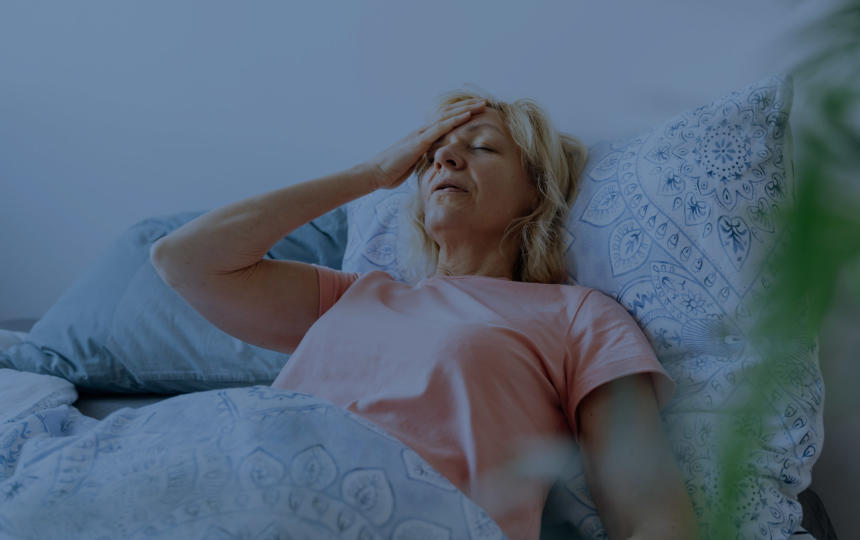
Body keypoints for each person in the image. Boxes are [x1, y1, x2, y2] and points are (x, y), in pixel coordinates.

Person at [151, 87, 698, 540]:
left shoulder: (579, 315)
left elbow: (650, 516)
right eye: (432, 153)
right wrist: (372, 173)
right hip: (248, 497)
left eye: (482, 148)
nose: (445, 158)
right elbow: (183, 260)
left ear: (535, 192)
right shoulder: (357, 295)